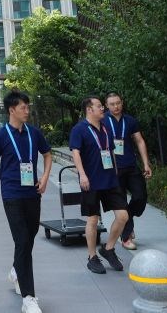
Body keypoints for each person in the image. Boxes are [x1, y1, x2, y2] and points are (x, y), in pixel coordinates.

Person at [0, 90, 52, 313]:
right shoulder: (1, 136)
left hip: (33, 193)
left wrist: (45, 177)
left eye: (28, 107)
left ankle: (16, 270)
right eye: (23, 107)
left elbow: (48, 154)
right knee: (22, 240)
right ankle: (29, 298)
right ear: (12, 110)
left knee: (29, 237)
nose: (27, 110)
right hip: (11, 194)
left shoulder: (34, 133)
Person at [69, 96, 129, 274]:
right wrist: (82, 175)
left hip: (110, 179)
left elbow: (111, 151)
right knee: (93, 219)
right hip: (91, 181)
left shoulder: (105, 128)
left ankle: (108, 248)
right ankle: (92, 257)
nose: (103, 108)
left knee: (123, 216)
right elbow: (75, 153)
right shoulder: (79, 129)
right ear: (89, 110)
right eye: (99, 106)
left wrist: (116, 172)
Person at [105, 92, 152, 250]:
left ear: (122, 102)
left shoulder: (130, 120)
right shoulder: (103, 121)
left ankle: (127, 218)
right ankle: (126, 237)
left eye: (118, 103)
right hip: (113, 169)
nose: (116, 106)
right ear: (106, 106)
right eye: (112, 104)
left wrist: (146, 164)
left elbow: (139, 140)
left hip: (131, 166)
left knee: (140, 196)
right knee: (122, 203)